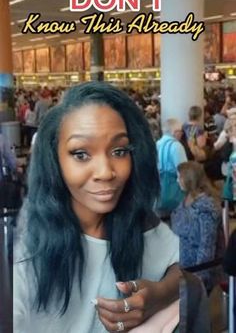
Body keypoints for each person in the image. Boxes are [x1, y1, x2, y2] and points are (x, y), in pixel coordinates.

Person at [14, 82, 180, 333]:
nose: (105, 172)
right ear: (54, 160)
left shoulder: (142, 222)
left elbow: (180, 264)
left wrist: (160, 294)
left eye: (119, 151)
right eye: (81, 154)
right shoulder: (23, 246)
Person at [171, 162, 223, 293]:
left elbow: (206, 246)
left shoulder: (206, 209)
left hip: (195, 274)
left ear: (189, 179)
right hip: (183, 270)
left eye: (179, 177)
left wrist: (200, 278)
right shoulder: (187, 199)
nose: (177, 181)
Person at [156, 119, 187, 211]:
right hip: (174, 189)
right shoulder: (176, 146)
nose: (182, 134)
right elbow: (183, 170)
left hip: (159, 188)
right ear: (175, 132)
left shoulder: (157, 144)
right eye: (181, 131)